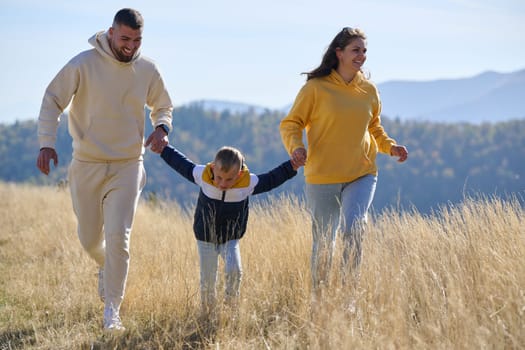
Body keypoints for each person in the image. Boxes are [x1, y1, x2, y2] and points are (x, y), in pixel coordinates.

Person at [36, 8, 173, 331]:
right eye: (125, 38)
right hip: (87, 165)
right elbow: (53, 98)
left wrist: (162, 127)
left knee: (119, 237)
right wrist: (46, 143)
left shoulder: (148, 69)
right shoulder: (83, 64)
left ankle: (112, 310)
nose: (131, 46)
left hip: (128, 164)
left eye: (137, 40)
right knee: (88, 239)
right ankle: (103, 264)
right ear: (111, 33)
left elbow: (163, 105)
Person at [279, 27, 408, 291]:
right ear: (339, 53)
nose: (361, 56)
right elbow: (291, 123)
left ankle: (349, 300)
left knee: (354, 229)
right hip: (323, 174)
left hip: (362, 173)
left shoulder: (369, 90)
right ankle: (321, 301)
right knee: (325, 241)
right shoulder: (315, 88)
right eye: (355, 50)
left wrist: (390, 147)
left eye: (364, 51)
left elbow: (374, 128)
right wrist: (296, 147)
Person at [160, 144, 300, 317]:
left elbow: (272, 179)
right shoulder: (203, 175)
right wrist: (163, 150)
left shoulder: (247, 183)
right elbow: (181, 164)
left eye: (229, 179)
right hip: (205, 237)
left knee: (235, 270)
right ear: (213, 168)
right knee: (208, 278)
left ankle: (230, 309)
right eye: (219, 178)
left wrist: (291, 166)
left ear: (239, 174)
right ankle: (207, 313)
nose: (222, 184)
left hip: (230, 238)